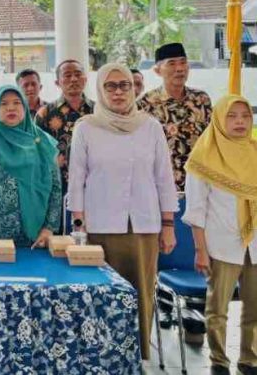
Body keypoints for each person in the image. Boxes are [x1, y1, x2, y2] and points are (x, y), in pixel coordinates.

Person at [68, 63, 178, 360]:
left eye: (124, 85)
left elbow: (164, 178)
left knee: (141, 294)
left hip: (144, 226)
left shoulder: (150, 127)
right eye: (110, 86)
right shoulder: (87, 127)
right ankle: (101, 357)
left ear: (134, 88)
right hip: (100, 228)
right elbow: (76, 179)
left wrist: (168, 225)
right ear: (100, 90)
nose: (118, 92)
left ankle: (136, 357)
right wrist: (79, 228)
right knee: (101, 295)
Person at [182, 95, 257, 375]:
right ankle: (219, 361)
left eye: (245, 116)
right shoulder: (204, 158)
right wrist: (201, 250)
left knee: (255, 307)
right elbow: (196, 210)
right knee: (218, 309)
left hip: (256, 245)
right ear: (218, 119)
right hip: (221, 244)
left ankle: (250, 359)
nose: (239, 122)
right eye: (232, 115)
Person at [0, 86, 61, 249]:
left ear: (24, 106)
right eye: (3, 103)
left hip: (37, 237)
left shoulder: (42, 141)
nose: (11, 108)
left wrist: (49, 228)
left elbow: (56, 187)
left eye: (17, 102)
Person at [138, 42, 212, 192]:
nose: (179, 69)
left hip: (200, 185)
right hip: (162, 188)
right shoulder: (145, 104)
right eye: (171, 64)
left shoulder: (201, 99)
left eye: (183, 63)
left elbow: (211, 139)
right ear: (158, 71)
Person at [35, 59, 95, 194]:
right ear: (58, 82)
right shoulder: (45, 114)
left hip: (94, 186)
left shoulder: (98, 111)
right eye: (67, 75)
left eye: (78, 74)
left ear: (85, 79)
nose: (73, 79)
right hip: (58, 187)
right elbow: (37, 152)